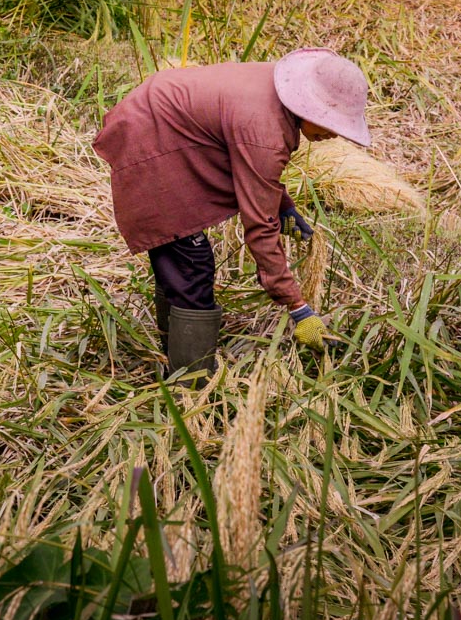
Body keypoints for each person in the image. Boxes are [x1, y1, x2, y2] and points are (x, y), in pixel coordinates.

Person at [92, 48, 372, 380]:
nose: (333, 133)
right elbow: (259, 226)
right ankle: (189, 382)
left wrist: (284, 207)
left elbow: (252, 171)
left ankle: (174, 351)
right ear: (305, 104)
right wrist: (298, 308)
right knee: (191, 261)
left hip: (165, 120)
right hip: (152, 135)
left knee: (180, 262)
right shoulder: (265, 130)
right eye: (329, 121)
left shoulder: (276, 91)